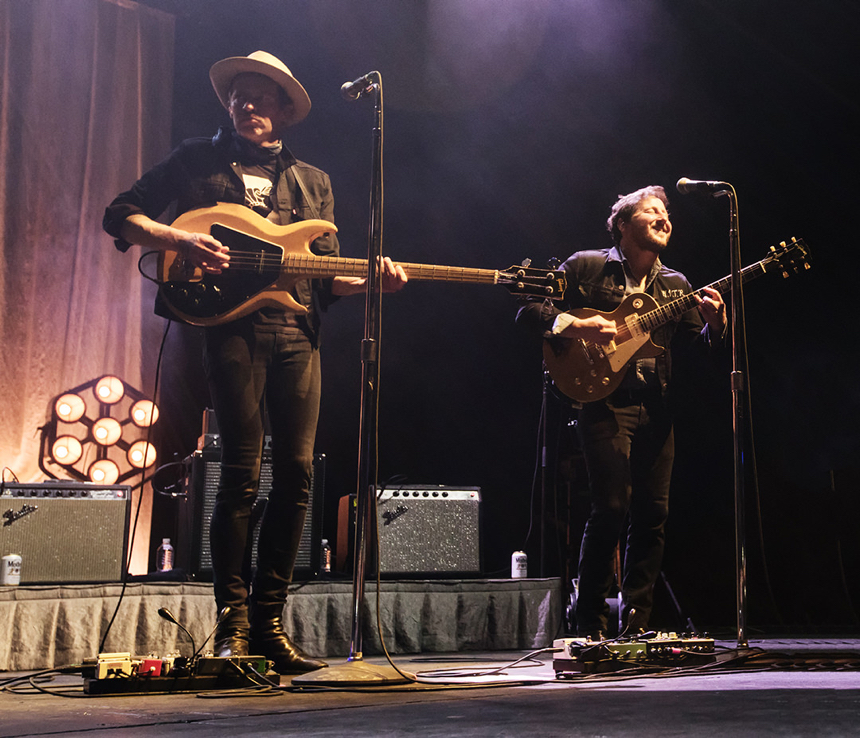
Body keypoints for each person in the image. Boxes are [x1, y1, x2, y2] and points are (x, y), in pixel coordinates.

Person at [103, 51, 407, 673]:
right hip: (228, 331)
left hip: (297, 331)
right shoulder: (195, 159)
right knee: (240, 470)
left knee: (297, 475)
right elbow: (120, 214)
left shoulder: (313, 182)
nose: (248, 105)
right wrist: (178, 238)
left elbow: (325, 275)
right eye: (240, 95)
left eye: (262, 97)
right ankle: (231, 627)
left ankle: (271, 624)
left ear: (284, 111)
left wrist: (370, 280)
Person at [517, 185, 725, 639]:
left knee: (653, 513)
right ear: (623, 224)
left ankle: (636, 624)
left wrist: (715, 328)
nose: (664, 217)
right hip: (603, 400)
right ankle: (588, 621)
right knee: (610, 507)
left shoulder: (677, 285)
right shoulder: (586, 266)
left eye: (667, 212)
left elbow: (694, 349)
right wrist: (575, 324)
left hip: (657, 406)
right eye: (653, 210)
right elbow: (528, 310)